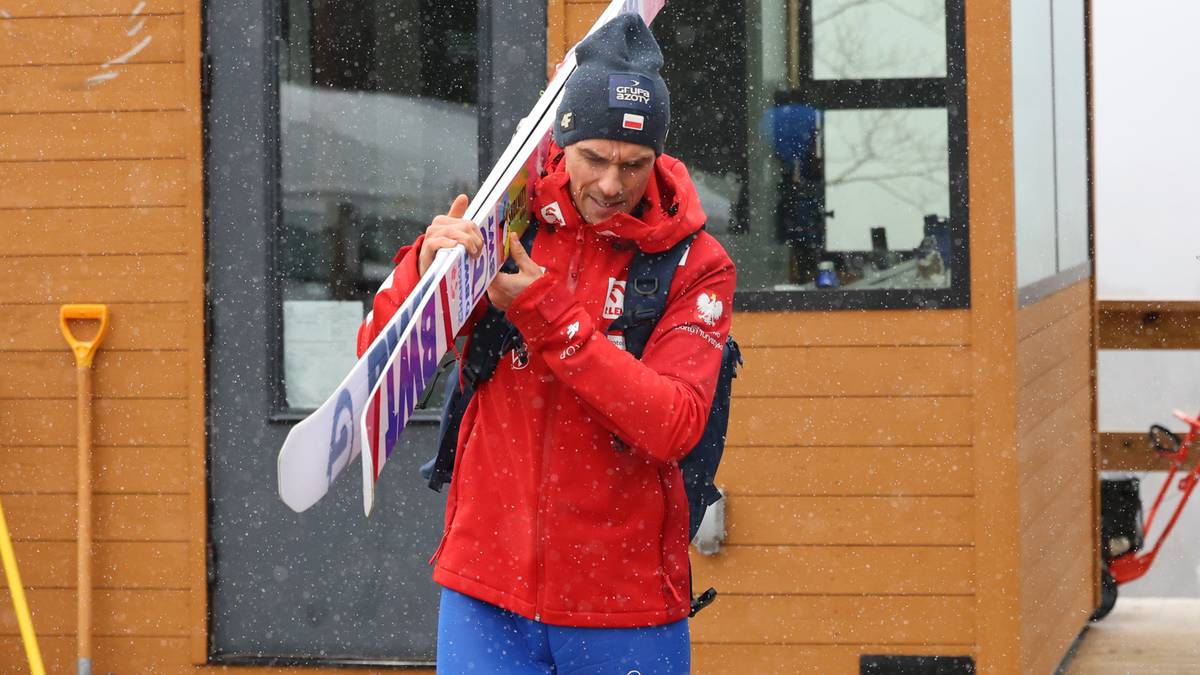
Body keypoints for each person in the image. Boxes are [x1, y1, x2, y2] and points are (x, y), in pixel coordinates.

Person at [357, 14, 735, 674]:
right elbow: (382, 358)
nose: (612, 183)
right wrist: (425, 270)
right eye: (595, 158)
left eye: (634, 164)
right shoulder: (510, 222)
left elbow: (671, 422)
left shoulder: (695, 264)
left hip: (626, 604)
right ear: (562, 143)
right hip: (486, 589)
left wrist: (547, 314)